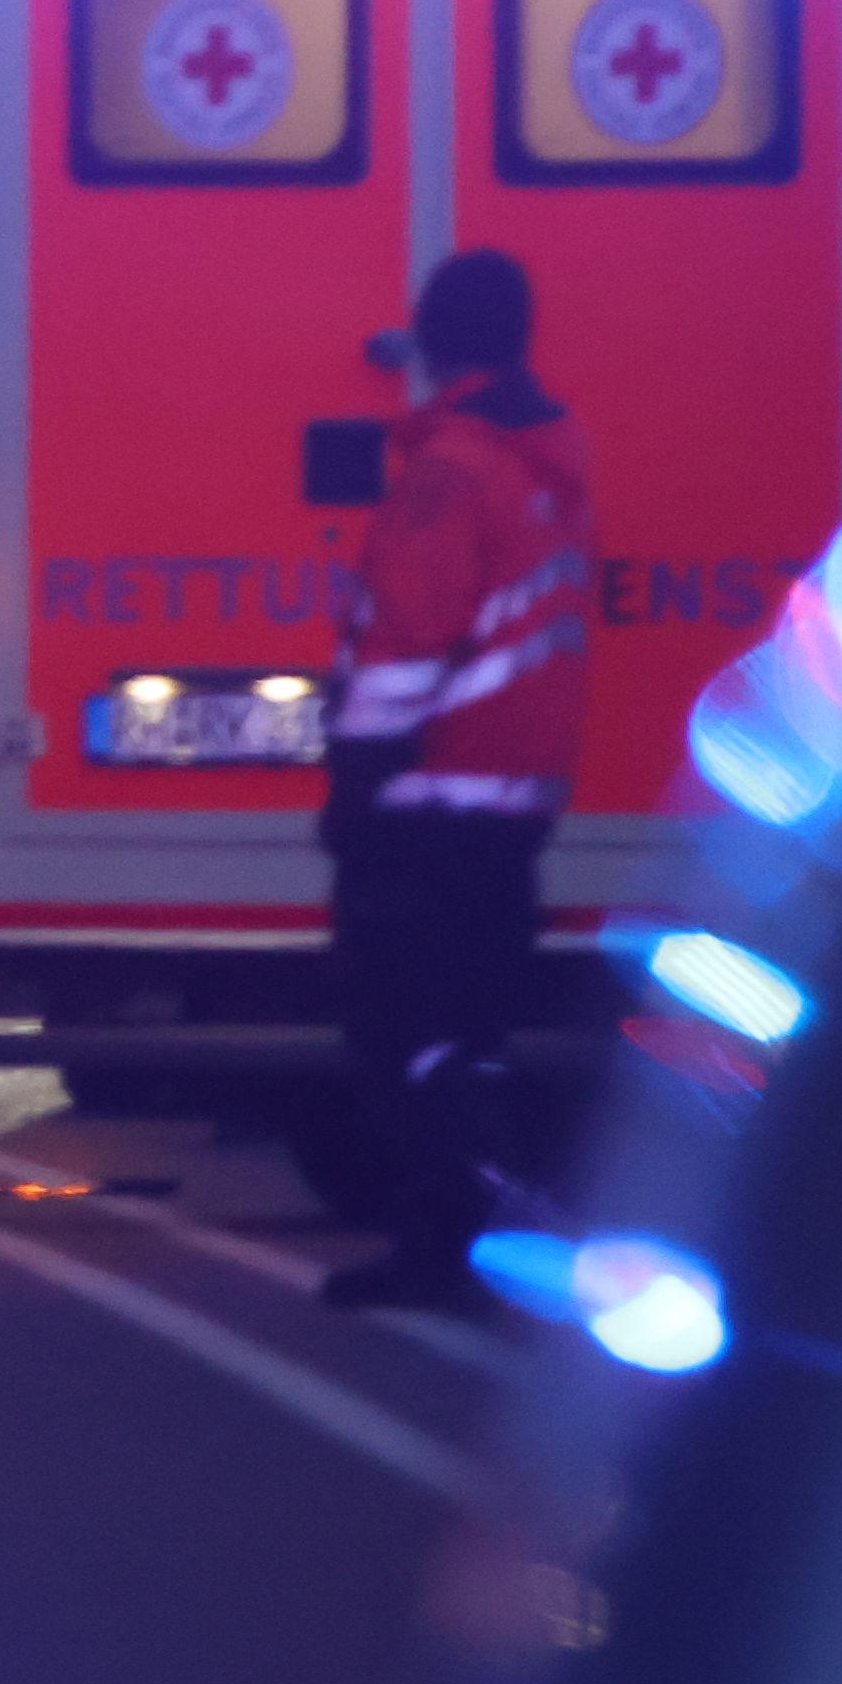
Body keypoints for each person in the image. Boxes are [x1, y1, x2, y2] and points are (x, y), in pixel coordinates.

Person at [316, 246, 591, 1314]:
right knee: (463, 1038)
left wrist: (353, 782)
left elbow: (402, 646)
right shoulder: (548, 463)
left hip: (424, 807)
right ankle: (459, 1251)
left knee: (406, 1039)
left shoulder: (449, 472)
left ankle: (482, 1237)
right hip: (510, 810)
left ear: (430, 347)